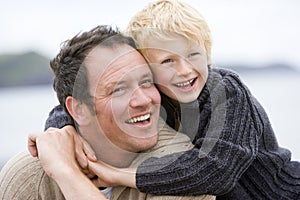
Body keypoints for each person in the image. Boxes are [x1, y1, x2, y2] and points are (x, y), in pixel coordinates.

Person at [41, 0, 300, 199]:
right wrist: (63, 130)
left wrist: (118, 175)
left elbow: (218, 172)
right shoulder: (156, 93)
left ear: (208, 56)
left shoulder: (227, 93)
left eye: (194, 54)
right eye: (168, 61)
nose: (185, 70)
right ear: (146, 68)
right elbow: (73, 104)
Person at [0, 25, 214, 200]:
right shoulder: (28, 177)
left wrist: (66, 172)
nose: (144, 100)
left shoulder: (182, 170)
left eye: (146, 82)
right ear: (78, 109)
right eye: (118, 89)